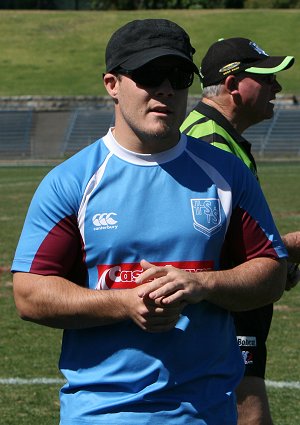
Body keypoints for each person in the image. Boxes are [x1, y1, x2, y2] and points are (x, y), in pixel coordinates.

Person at [12, 21, 287, 425]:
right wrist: (122, 304)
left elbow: (272, 273)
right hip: (103, 413)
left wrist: (202, 284)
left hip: (207, 412)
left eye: (177, 77)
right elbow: (30, 293)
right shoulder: (72, 181)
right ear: (112, 84)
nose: (165, 89)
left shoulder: (226, 173)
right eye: (147, 75)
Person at [180, 37, 298, 425]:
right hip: (224, 310)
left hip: (231, 305)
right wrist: (286, 250)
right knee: (249, 410)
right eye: (266, 79)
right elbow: (214, 247)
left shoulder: (218, 136)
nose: (277, 89)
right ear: (232, 86)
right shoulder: (209, 143)